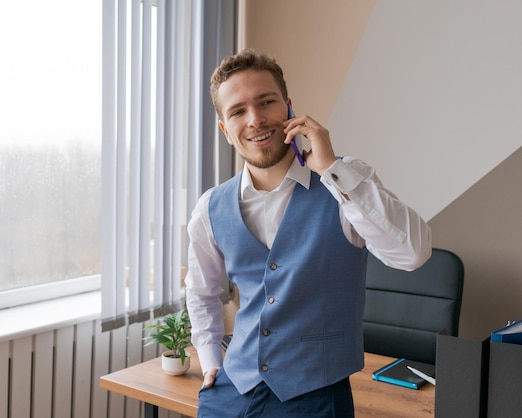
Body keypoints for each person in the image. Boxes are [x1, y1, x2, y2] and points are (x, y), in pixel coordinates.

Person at [184, 49, 432, 418]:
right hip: (230, 393)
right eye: (237, 111)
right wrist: (209, 360)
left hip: (316, 398)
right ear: (225, 129)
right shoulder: (210, 207)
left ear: (288, 107)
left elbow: (412, 254)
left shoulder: (345, 182)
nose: (255, 119)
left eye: (266, 102)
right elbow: (201, 291)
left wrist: (331, 167)